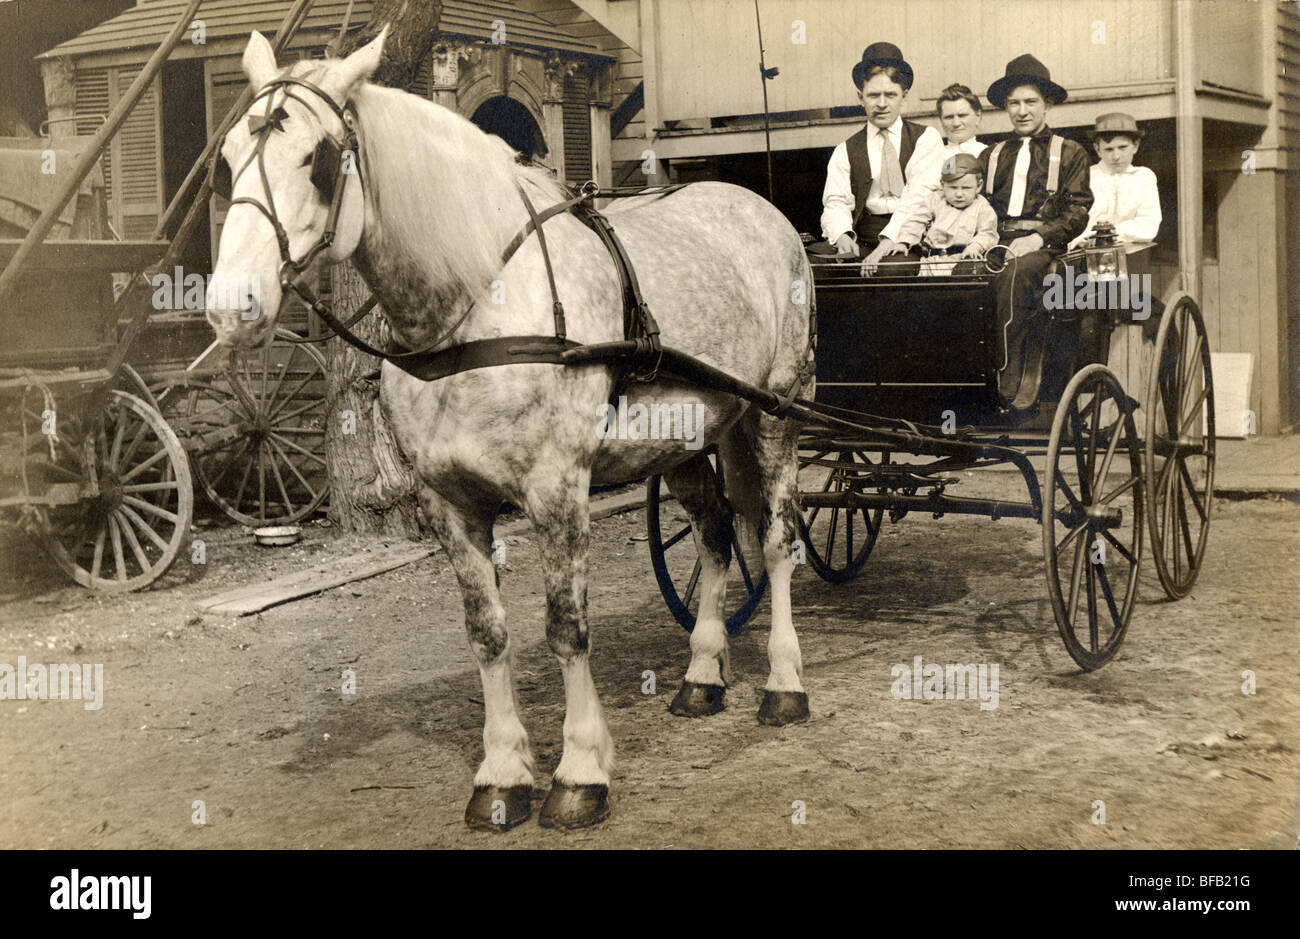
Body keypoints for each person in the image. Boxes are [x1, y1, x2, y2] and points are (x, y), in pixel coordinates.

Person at [977, 54, 1093, 413]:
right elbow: (971, 203)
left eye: (1030, 102)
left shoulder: (1070, 152)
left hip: (1043, 248)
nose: (1021, 111)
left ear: (1048, 104)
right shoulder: (993, 154)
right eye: (1014, 103)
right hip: (992, 240)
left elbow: (1077, 210)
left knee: (1018, 271)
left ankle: (1009, 373)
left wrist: (1038, 238)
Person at [820, 42, 944, 258]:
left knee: (891, 272)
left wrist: (889, 241)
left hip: (911, 234)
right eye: (873, 95)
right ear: (861, 98)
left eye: (891, 95)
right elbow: (836, 200)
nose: (882, 104)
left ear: (904, 97)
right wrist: (842, 235)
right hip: (863, 234)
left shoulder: (926, 139)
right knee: (818, 268)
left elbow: (919, 196)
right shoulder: (846, 150)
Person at [864, 83, 989, 272]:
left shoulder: (990, 154)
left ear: (978, 116)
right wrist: (904, 240)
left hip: (973, 241)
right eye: (949, 117)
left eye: (962, 115)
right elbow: (917, 199)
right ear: (941, 120)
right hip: (930, 243)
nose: (956, 123)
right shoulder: (932, 155)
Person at [862, 152, 999, 276]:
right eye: (952, 187)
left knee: (969, 271)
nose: (958, 194)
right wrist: (904, 242)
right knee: (893, 267)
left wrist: (976, 246)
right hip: (929, 260)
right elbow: (916, 221)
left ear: (979, 186)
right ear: (942, 184)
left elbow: (987, 232)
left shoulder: (982, 206)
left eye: (966, 188)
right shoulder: (934, 199)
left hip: (961, 257)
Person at [1068, 112, 1161, 250]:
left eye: (1123, 147)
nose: (1116, 156)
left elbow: (1148, 226)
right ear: (1097, 149)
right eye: (1109, 149)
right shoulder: (1085, 177)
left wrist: (1104, 234)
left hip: (1130, 254)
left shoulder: (1143, 177)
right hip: (1087, 252)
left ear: (1135, 146)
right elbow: (1073, 226)